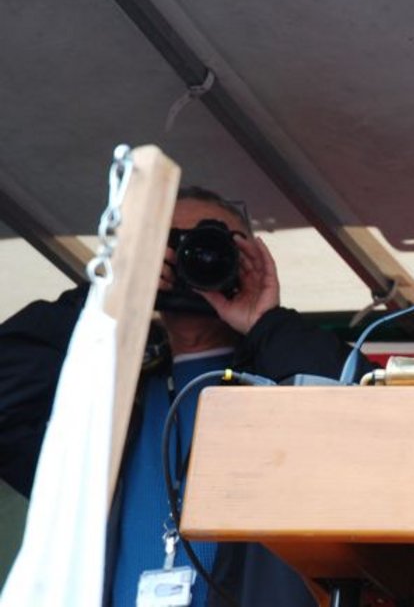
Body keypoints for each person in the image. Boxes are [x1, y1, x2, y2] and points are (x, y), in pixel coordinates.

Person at [0, 186, 354, 607]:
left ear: (248, 260)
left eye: (208, 244)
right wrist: (108, 297)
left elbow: (357, 417)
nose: (186, 260)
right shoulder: (113, 402)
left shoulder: (282, 381)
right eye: (165, 246)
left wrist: (268, 323)